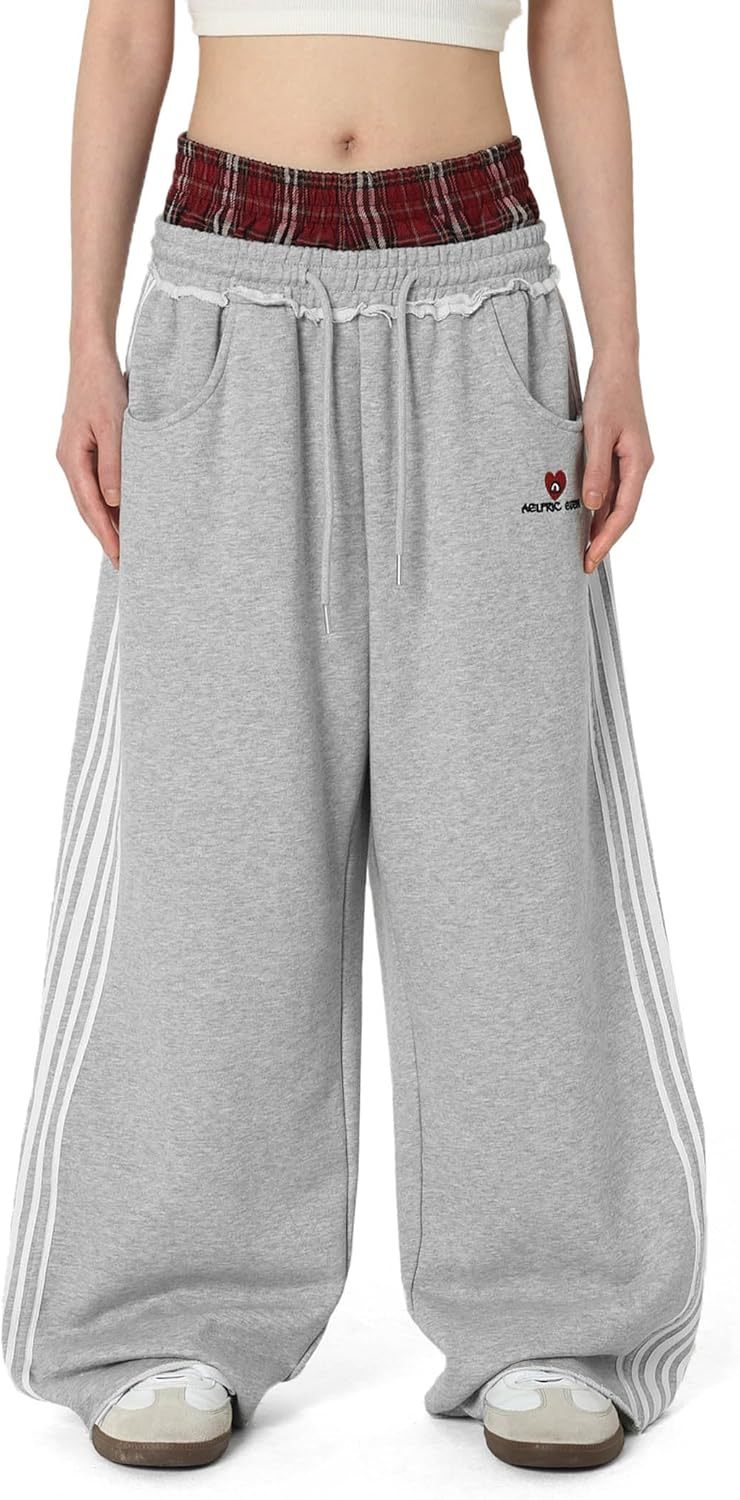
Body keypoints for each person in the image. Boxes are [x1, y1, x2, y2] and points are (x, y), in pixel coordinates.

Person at [2, 0, 705, 1474]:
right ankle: (169, 1306)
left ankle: (555, 1310)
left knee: (512, 839)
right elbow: (125, 34)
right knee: (213, 842)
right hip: (220, 298)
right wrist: (82, 343)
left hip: (485, 302)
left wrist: (623, 349)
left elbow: (576, 37)